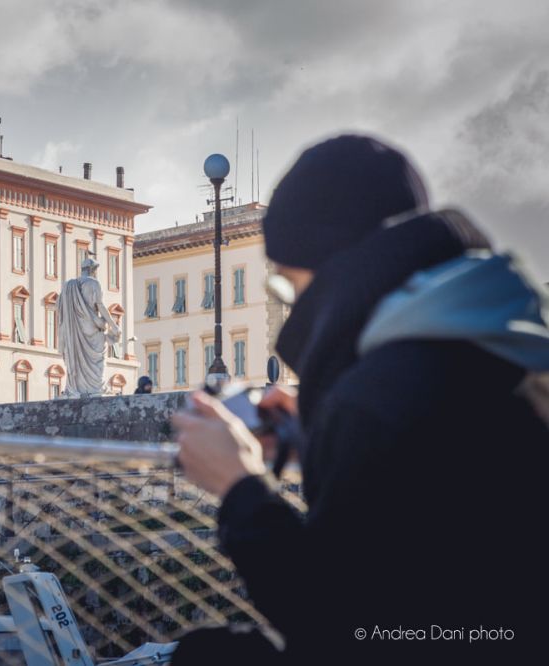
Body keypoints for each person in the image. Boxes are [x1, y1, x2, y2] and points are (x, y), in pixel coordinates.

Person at [171, 135, 549, 662]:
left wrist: (239, 487)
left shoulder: (377, 402)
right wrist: (325, 431)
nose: (293, 303)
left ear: (327, 269)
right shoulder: (500, 345)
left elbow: (339, 622)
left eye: (286, 284)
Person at [58, 257, 121, 397]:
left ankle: (79, 388)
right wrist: (113, 325)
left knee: (78, 358)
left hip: (75, 330)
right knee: (98, 357)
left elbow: (61, 312)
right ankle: (96, 388)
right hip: (91, 328)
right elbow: (100, 306)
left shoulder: (68, 287)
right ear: (93, 270)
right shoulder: (93, 283)